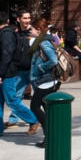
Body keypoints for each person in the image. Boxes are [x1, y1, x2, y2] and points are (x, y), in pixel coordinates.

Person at [0, 11, 39, 138]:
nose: (27, 20)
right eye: (25, 18)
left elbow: (7, 56)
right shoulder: (10, 33)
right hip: (5, 73)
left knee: (12, 100)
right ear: (8, 21)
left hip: (8, 74)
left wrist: (0, 75)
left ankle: (33, 120)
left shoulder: (7, 35)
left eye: (29, 18)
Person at [27, 17, 61, 148]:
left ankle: (51, 134)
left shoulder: (44, 42)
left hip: (45, 81)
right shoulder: (41, 41)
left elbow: (53, 60)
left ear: (39, 30)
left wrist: (41, 68)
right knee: (47, 109)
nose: (30, 30)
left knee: (34, 107)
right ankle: (51, 138)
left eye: (32, 29)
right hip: (45, 81)